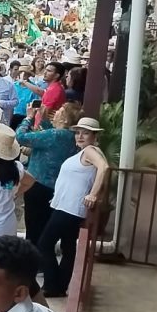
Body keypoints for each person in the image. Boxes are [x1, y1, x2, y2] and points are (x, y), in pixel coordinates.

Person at [38, 117, 108, 297]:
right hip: (65, 206)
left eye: (85, 133)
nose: (80, 136)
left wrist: (93, 194)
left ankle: (52, 285)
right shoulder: (83, 153)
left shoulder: (91, 151)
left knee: (45, 244)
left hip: (70, 208)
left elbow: (104, 167)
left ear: (94, 136)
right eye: (78, 133)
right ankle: (59, 286)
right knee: (68, 247)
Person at [17, 101, 81, 245]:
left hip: (37, 184)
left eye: (60, 110)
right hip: (56, 188)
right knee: (44, 229)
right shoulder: (71, 136)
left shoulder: (54, 135)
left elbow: (20, 136)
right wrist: (44, 119)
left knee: (33, 230)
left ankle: (31, 262)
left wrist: (28, 118)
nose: (56, 111)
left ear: (65, 119)